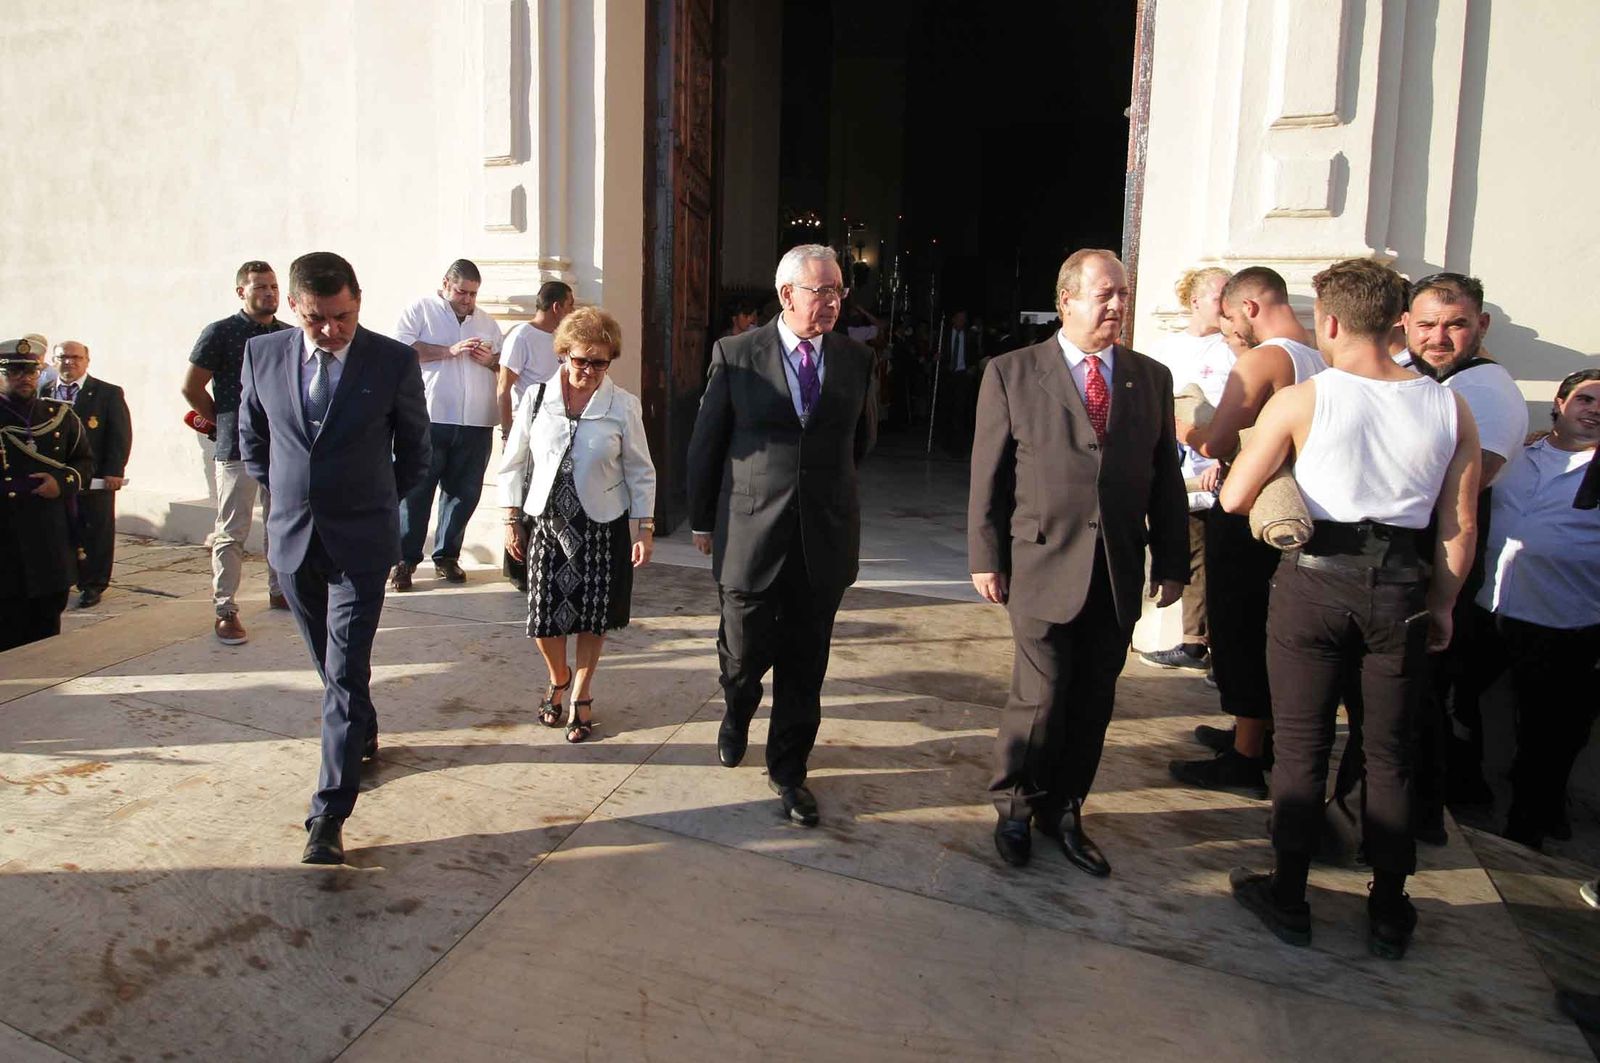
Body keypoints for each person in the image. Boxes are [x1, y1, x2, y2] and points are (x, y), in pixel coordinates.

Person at [1221, 258, 1479, 960]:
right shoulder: (1448, 406)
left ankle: (1291, 892)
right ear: (1400, 321)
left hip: (1313, 581)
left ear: (1329, 321)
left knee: (1301, 746)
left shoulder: (1305, 399)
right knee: (1388, 753)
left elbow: (1234, 497)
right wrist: (1445, 603)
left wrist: (1277, 469)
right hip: (1399, 585)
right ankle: (1391, 907)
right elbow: (1460, 522)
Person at [970, 249, 1187, 874]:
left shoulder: (1149, 378)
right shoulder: (1012, 373)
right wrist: (986, 556)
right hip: (1041, 562)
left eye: (1123, 293)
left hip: (1116, 568)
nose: (1118, 305)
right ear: (1066, 300)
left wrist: (1172, 561)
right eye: (1104, 294)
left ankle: (1065, 809)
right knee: (1039, 695)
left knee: (1093, 699)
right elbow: (988, 478)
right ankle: (1015, 807)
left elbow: (1164, 480)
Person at [239, 252, 430, 865]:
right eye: (319, 319)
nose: (333, 330)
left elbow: (416, 454)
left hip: (363, 544)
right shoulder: (261, 355)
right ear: (296, 307)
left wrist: (373, 499)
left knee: (344, 670)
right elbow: (252, 439)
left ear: (358, 300)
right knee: (331, 665)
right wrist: (291, 494)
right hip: (293, 540)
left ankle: (328, 814)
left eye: (344, 316)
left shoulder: (391, 359)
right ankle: (362, 726)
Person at [686, 244, 878, 827]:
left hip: (823, 535)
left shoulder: (855, 360)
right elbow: (707, 445)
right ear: (786, 294)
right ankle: (737, 709)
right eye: (819, 291)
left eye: (837, 291)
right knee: (743, 655)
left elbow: (860, 441)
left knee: (805, 662)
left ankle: (789, 771)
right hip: (749, 532)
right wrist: (702, 520)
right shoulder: (737, 354)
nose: (830, 303)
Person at [1169, 266, 1327, 798]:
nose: (1233, 328)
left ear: (1252, 307)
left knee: (1239, 629)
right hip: (1292, 512)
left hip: (1249, 511)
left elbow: (1215, 441)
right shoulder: (1318, 356)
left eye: (1233, 317)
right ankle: (1254, 737)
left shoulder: (1266, 359)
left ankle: (1245, 757)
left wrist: (1182, 421)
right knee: (1266, 630)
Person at [498, 307, 656, 742]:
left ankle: (581, 697)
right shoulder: (535, 399)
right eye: (581, 359)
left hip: (602, 525)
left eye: (600, 361)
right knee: (542, 619)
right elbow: (512, 464)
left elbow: (641, 470)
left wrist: (644, 527)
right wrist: (512, 519)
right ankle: (560, 676)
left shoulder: (623, 406)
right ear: (564, 353)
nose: (588, 370)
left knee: (593, 618)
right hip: (547, 523)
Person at [1403, 272, 1529, 818]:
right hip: (1409, 552)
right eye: (1427, 324)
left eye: (1455, 325)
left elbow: (1466, 488)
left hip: (1444, 555)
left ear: (1481, 326)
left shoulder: (1484, 389)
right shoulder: (1420, 376)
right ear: (1405, 324)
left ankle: (1427, 811)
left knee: (1427, 694)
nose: (1439, 336)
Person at [1469, 369, 1600, 849]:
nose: (1595, 409)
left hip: (1564, 620)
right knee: (1457, 700)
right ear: (1560, 403)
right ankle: (1465, 791)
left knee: (1548, 733)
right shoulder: (1518, 454)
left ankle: (1529, 826)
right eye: (1585, 398)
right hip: (1490, 607)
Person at [183, 260, 293, 644]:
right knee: (232, 530)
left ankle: (280, 589)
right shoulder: (221, 332)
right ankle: (226, 608)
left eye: (274, 287)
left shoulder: (287, 334)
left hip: (280, 446)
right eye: (261, 286)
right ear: (241, 292)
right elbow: (192, 387)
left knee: (281, 522)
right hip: (236, 448)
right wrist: (221, 421)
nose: (269, 293)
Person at [1142, 266, 1233, 672]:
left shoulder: (1238, 349)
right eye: (1219, 297)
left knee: (1221, 562)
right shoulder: (1165, 349)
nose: (1227, 306)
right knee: (1187, 554)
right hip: (1176, 473)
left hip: (1220, 471)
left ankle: (1220, 651)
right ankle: (1193, 641)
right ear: (1195, 302)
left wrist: (1221, 457)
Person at [393, 259, 503, 590]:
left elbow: (503, 364)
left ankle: (447, 556)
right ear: (445, 284)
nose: (468, 300)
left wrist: (491, 361)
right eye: (462, 291)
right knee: (416, 491)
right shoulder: (420, 309)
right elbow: (402, 351)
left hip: (475, 420)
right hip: (430, 415)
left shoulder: (486, 321)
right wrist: (448, 350)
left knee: (464, 492)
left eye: (473, 294)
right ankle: (403, 560)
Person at [0, 339, 93, 650]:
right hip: (6, 532)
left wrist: (61, 483)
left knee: (48, 613)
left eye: (30, 371)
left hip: (48, 530)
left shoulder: (60, 415)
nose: (23, 378)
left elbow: (83, 461)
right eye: (13, 371)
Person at [45, 342, 131, 608]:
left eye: (75, 357)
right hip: (56, 477)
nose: (69, 362)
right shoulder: (43, 391)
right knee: (58, 530)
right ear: (54, 360)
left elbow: (120, 435)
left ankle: (93, 584)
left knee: (96, 530)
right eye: (63, 357)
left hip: (94, 475)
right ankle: (61, 579)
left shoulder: (107, 393)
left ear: (87, 360)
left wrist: (115, 470)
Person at [498, 281, 575, 437]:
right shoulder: (521, 337)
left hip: (559, 426)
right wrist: (507, 432)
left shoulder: (563, 337)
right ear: (556, 307)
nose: (573, 311)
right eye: (570, 305)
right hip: (530, 426)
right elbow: (503, 388)